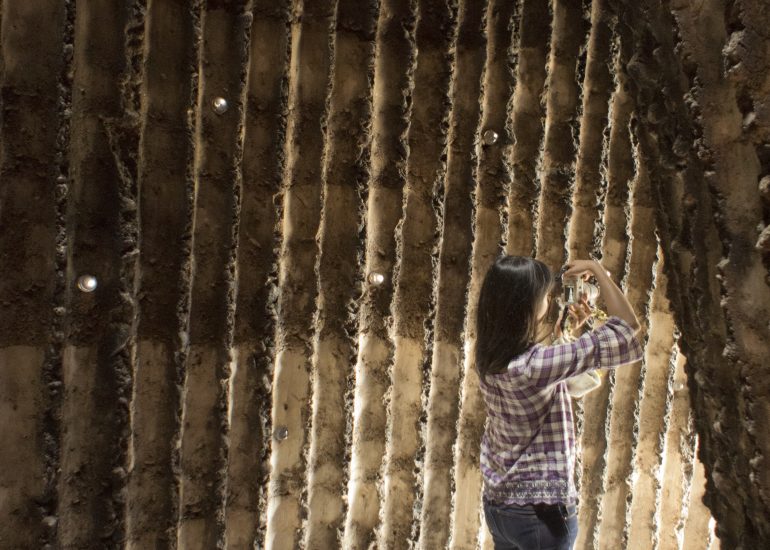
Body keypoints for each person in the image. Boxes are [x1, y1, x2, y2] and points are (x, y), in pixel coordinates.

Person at [476, 256, 642, 550]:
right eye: (545, 296)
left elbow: (551, 385)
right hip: (540, 516)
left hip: (500, 506)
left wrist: (565, 335)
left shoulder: (489, 355)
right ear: (524, 305)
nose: (550, 301)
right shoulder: (536, 365)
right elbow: (628, 329)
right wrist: (598, 271)